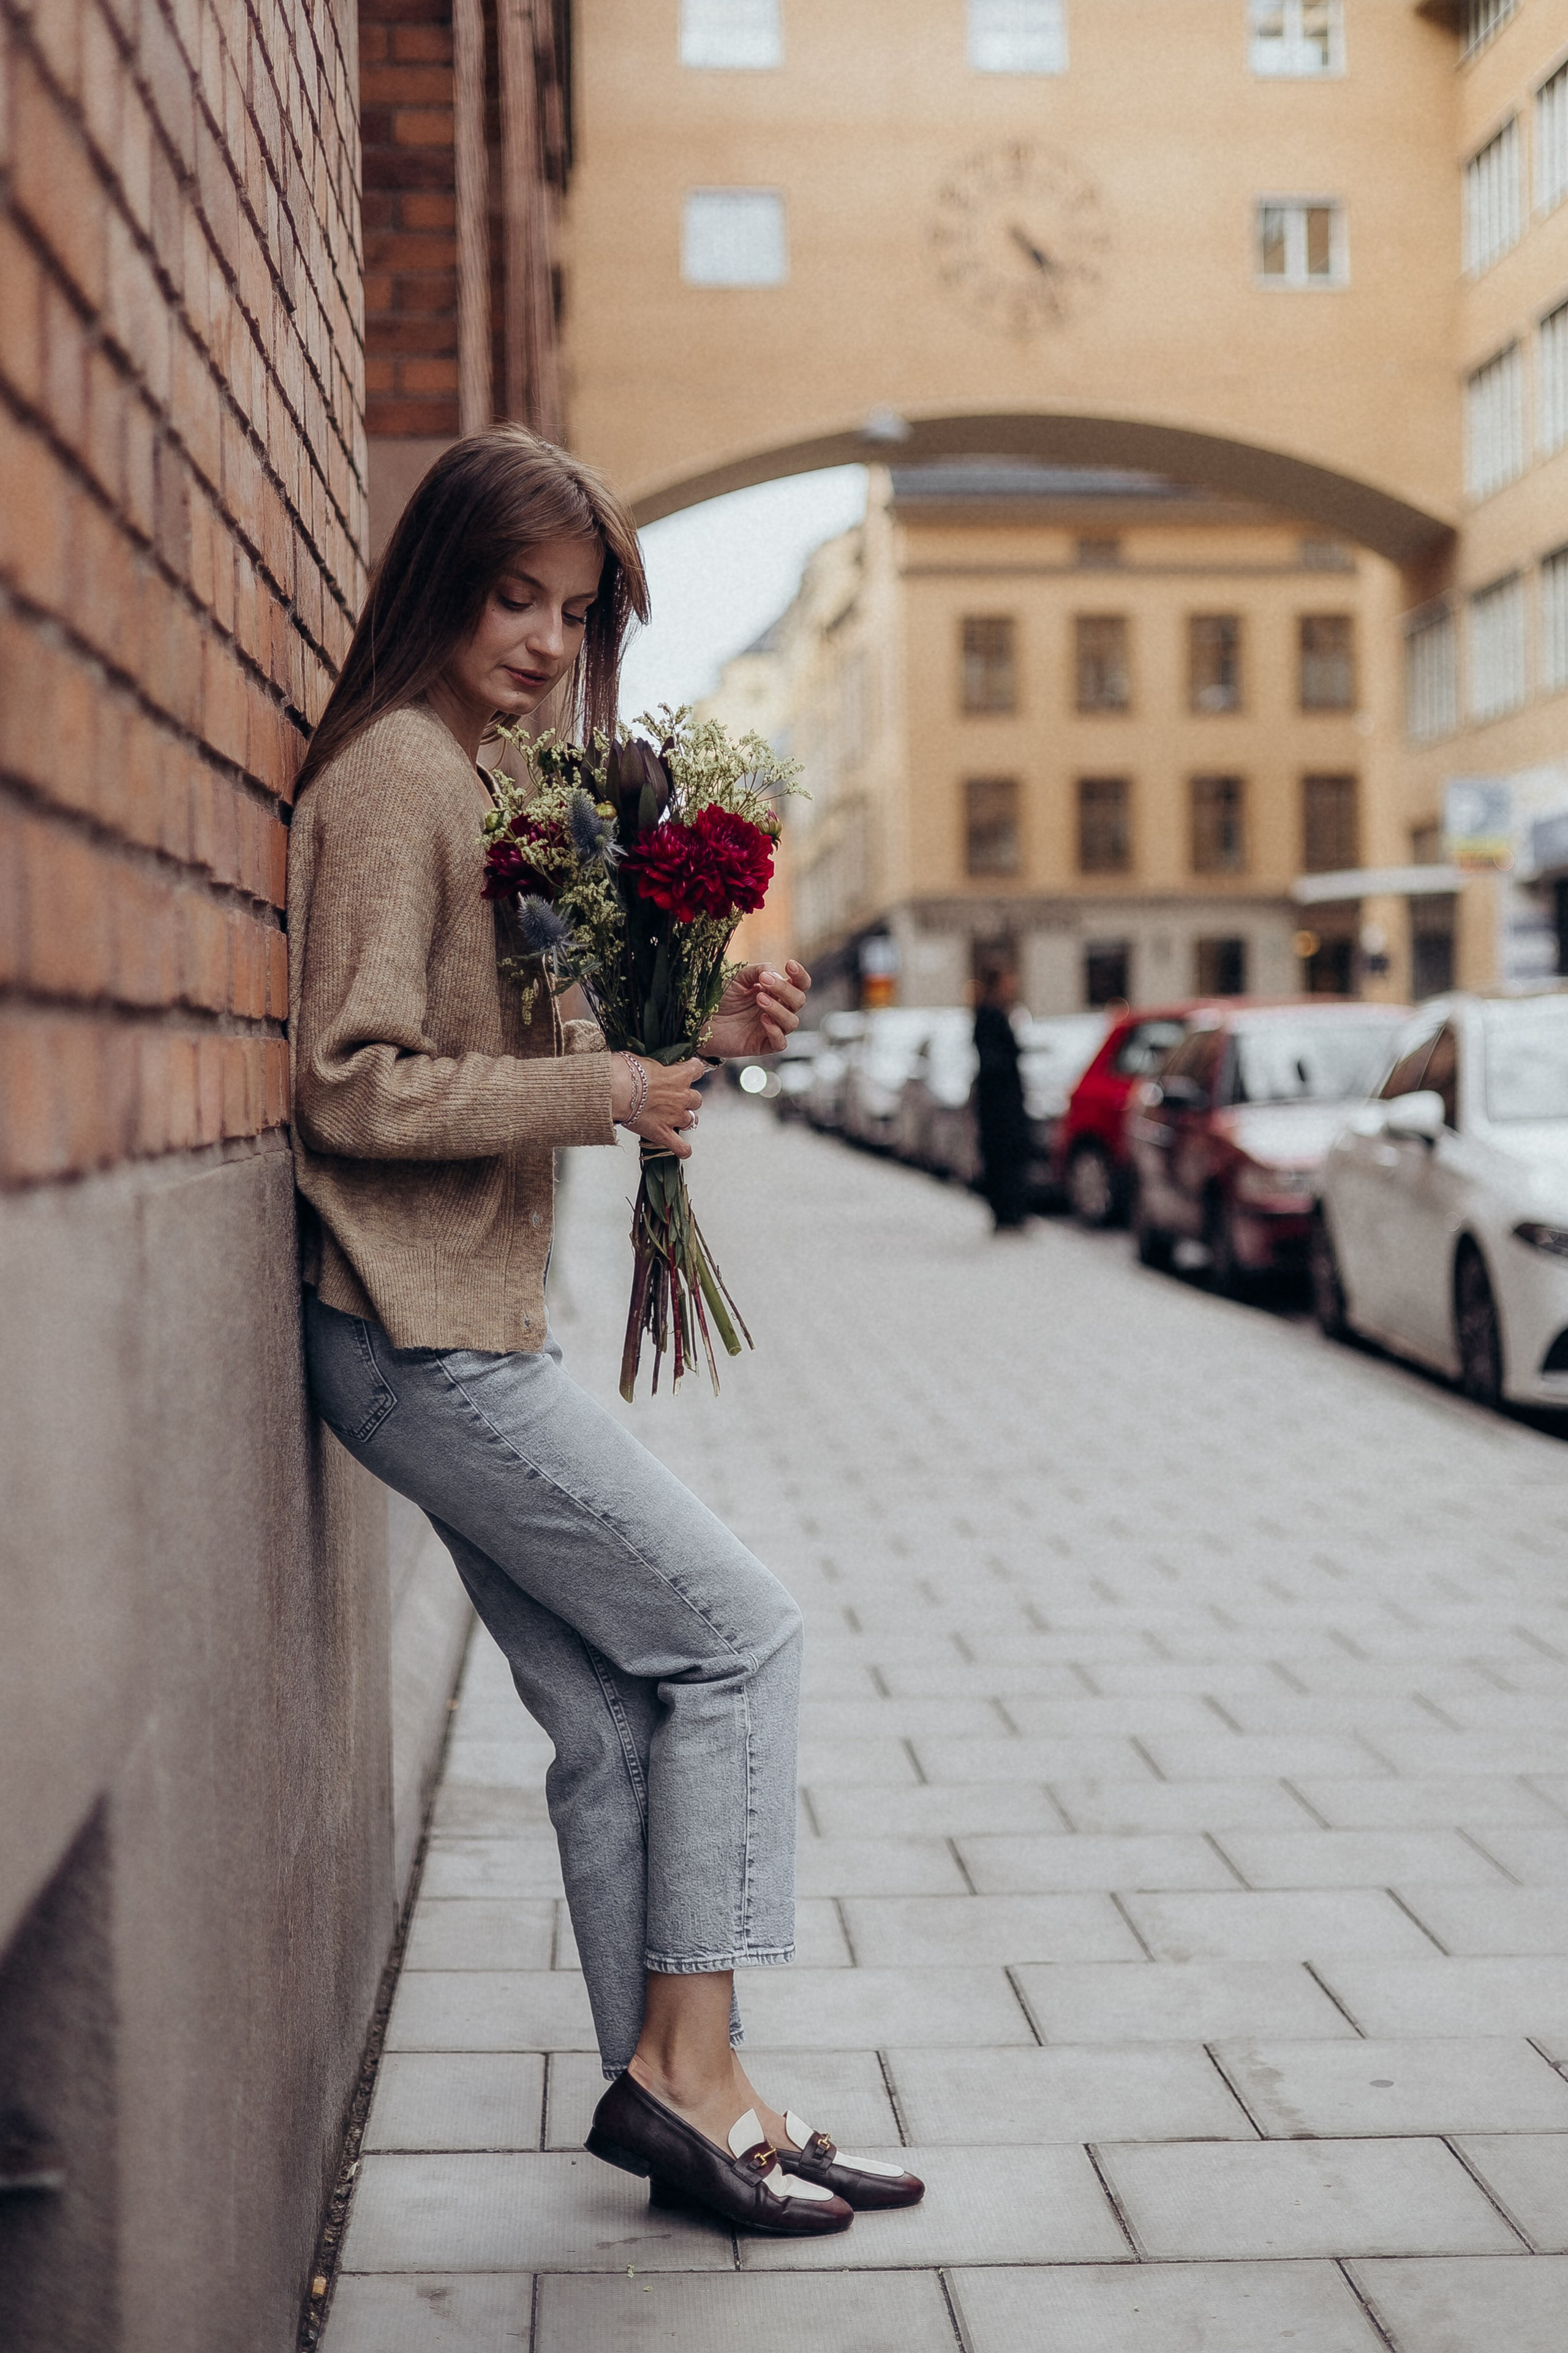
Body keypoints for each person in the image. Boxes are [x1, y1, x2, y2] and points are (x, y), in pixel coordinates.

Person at [288, 427, 922, 2236]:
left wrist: (705, 1021)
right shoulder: (400, 777)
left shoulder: (489, 778)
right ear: (439, 583)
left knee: (604, 1713)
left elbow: (548, 1036)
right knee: (737, 1632)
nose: (544, 641)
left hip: (453, 1326)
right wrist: (613, 1085)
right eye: (513, 596)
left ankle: (679, 2115)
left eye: (573, 614)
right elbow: (349, 1084)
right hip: (419, 1337)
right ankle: (690, 2070)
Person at [973, 962, 1031, 1232]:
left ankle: (1011, 1212)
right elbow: (991, 1060)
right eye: (1008, 980)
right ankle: (1006, 1214)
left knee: (1009, 1157)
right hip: (998, 1105)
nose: (1012, 985)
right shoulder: (988, 1014)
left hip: (1002, 1103)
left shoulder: (998, 1012)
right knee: (1001, 1158)